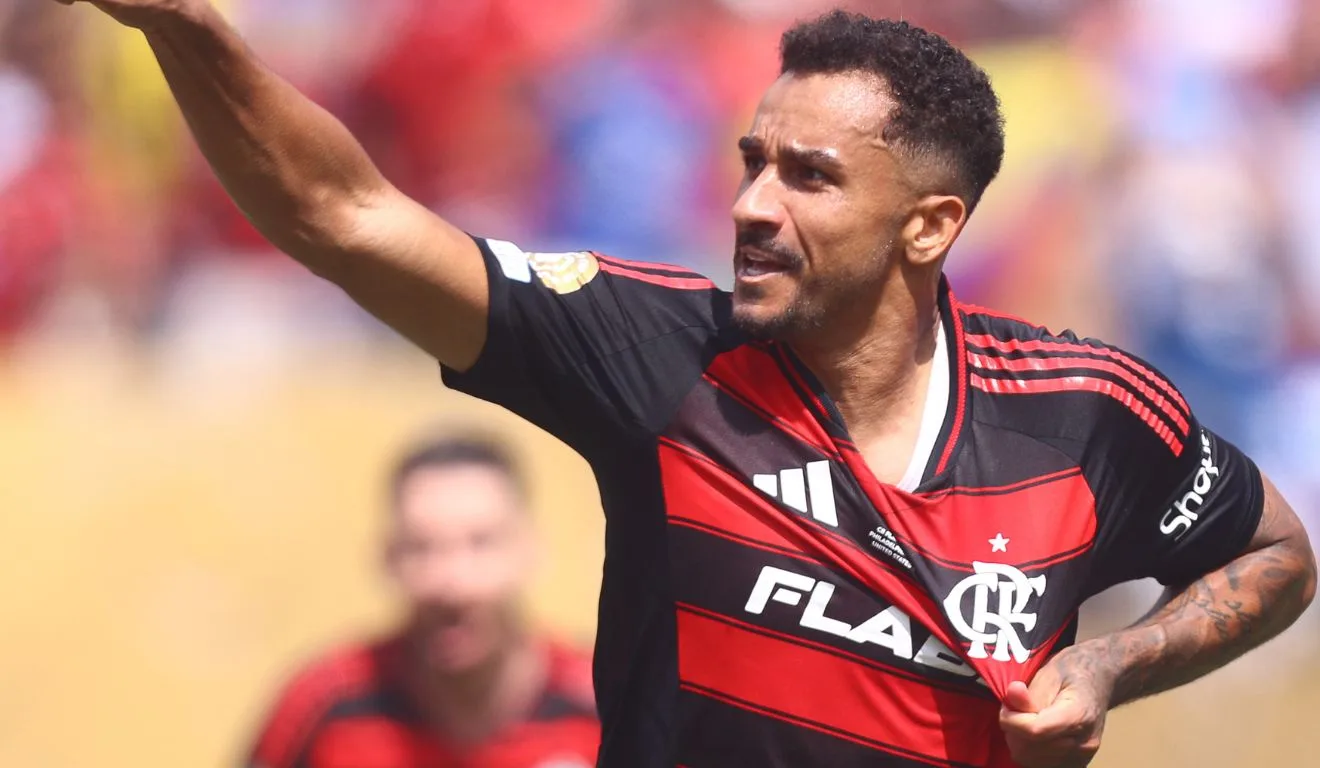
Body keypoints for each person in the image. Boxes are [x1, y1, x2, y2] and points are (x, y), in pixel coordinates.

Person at [54, 2, 1317, 766]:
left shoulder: (1084, 409)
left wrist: (1112, 666)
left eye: (809, 177)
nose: (752, 207)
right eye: (750, 161)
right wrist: (187, 26)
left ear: (929, 227)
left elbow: (1276, 558)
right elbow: (345, 214)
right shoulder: (659, 354)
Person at [245, 435, 598, 768]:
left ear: (529, 550)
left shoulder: (603, 706)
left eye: (481, 543)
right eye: (421, 548)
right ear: (388, 558)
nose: (450, 581)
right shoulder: (324, 704)